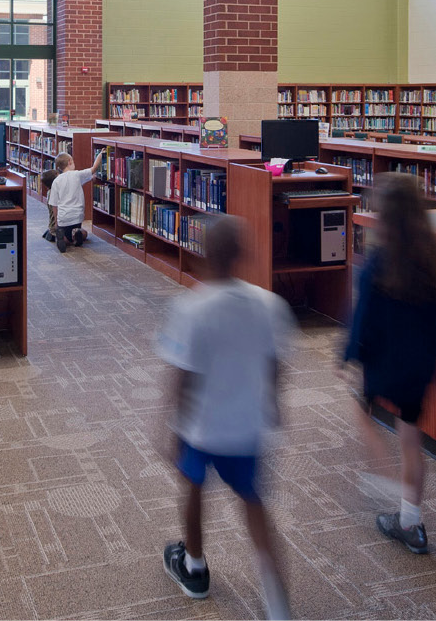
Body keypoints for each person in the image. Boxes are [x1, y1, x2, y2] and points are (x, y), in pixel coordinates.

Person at [156, 215, 292, 619]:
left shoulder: (190, 307)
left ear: (204, 255)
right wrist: (272, 405)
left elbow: (183, 376)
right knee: (254, 505)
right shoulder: (270, 305)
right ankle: (277, 603)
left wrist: (172, 426)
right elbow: (276, 366)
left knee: (193, 492)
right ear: (243, 255)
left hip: (201, 429)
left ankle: (194, 566)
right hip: (247, 427)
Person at [343, 172, 436, 555]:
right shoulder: (431, 261)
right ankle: (410, 521)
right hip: (420, 366)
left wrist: (348, 356)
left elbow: (362, 318)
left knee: (358, 411)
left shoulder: (379, 263)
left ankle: (384, 477)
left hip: (383, 362)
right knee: (411, 440)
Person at [44, 152, 104, 252]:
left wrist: (56, 223)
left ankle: (65, 239)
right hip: (78, 217)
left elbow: (54, 205)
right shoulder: (77, 175)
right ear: (70, 162)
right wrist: (101, 154)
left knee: (65, 237)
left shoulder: (56, 181)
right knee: (85, 234)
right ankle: (76, 234)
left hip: (63, 218)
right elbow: (94, 168)